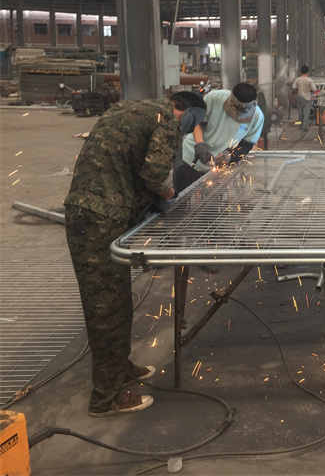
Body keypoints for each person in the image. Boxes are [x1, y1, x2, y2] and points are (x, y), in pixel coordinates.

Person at [64, 92, 206, 417]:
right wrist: (172, 196)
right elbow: (156, 174)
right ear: (186, 113)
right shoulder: (166, 121)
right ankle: (106, 398)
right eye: (194, 122)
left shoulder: (133, 108)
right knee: (108, 309)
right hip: (99, 217)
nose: (191, 128)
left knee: (117, 301)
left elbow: (132, 165)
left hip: (93, 213)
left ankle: (119, 368)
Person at [175, 82, 265, 193]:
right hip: (189, 159)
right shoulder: (214, 98)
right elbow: (197, 122)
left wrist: (230, 156)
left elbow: (246, 145)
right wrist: (200, 144)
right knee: (178, 202)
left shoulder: (257, 117)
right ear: (231, 97)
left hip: (217, 170)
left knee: (213, 207)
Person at [292, 65, 316, 130]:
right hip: (307, 98)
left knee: (300, 113)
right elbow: (314, 89)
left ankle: (300, 126)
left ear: (301, 71)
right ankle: (305, 127)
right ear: (308, 72)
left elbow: (294, 88)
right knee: (306, 113)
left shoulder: (297, 79)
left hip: (299, 98)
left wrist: (298, 92)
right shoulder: (309, 80)